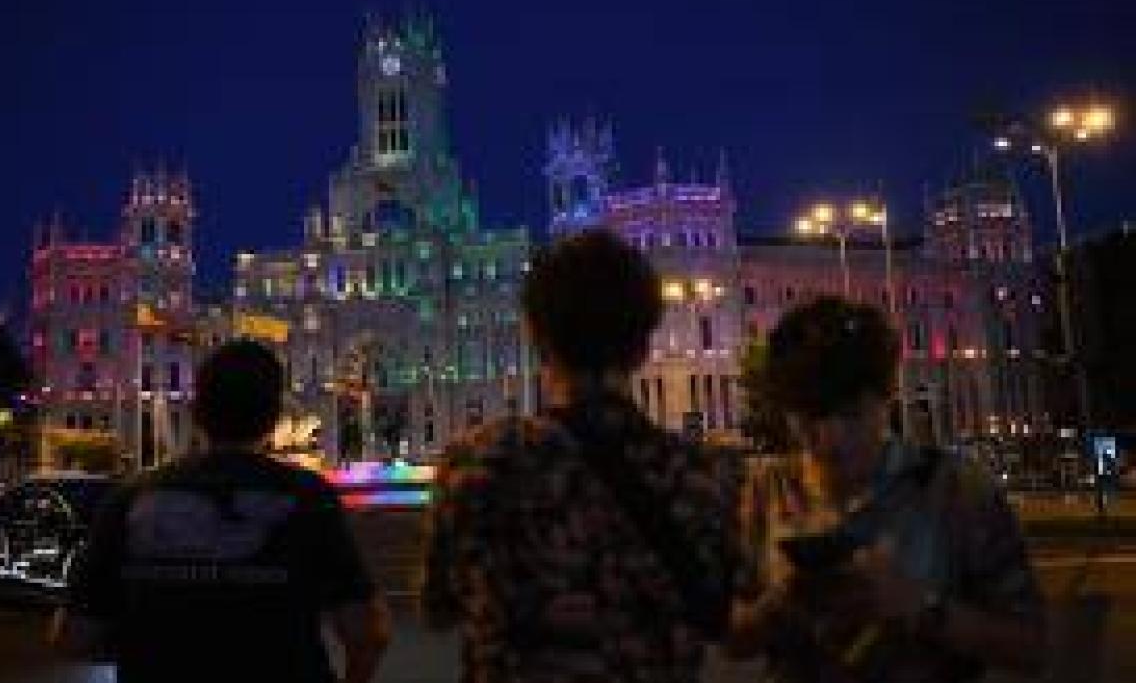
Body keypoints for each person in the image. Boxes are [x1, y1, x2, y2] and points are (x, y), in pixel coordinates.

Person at [421, 229, 741, 682]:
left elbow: (439, 608)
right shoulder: (701, 475)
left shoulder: (478, 464)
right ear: (645, 343)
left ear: (534, 335)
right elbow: (728, 618)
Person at [729, 297, 1046, 682]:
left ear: (887, 398)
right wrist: (778, 606)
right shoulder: (766, 490)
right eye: (810, 418)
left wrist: (920, 608)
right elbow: (732, 636)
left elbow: (1031, 645)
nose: (831, 440)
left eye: (852, 414)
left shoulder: (957, 489)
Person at [51, 340, 390, 683]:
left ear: (197, 411)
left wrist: (153, 644)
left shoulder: (130, 499)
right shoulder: (310, 498)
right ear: (274, 416)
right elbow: (368, 633)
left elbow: (73, 636)